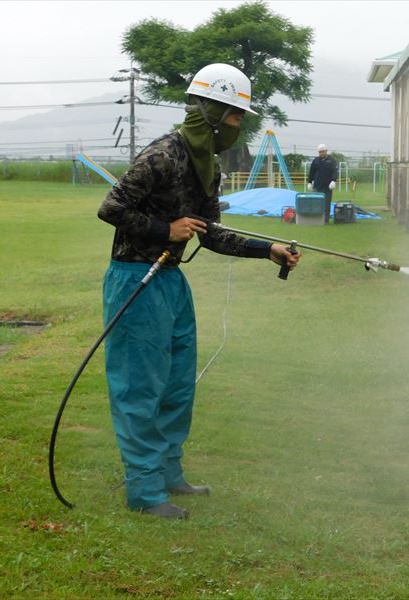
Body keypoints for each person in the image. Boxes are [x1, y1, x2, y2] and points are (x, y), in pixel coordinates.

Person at [97, 63, 300, 520]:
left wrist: (264, 249)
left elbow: (210, 234)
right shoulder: (161, 156)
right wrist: (163, 227)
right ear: (210, 112)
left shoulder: (208, 168)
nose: (237, 127)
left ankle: (169, 472)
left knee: (176, 385)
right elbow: (111, 208)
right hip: (135, 279)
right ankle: (144, 490)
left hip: (170, 280)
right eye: (234, 117)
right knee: (140, 388)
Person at [307, 143, 338, 223]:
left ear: (326, 151)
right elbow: (311, 172)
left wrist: (334, 181)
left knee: (327, 204)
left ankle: (325, 220)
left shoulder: (332, 160)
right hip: (317, 186)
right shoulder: (315, 161)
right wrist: (309, 182)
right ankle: (316, 219)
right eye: (320, 152)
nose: (321, 153)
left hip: (327, 187)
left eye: (323, 152)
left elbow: (335, 171)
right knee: (316, 204)